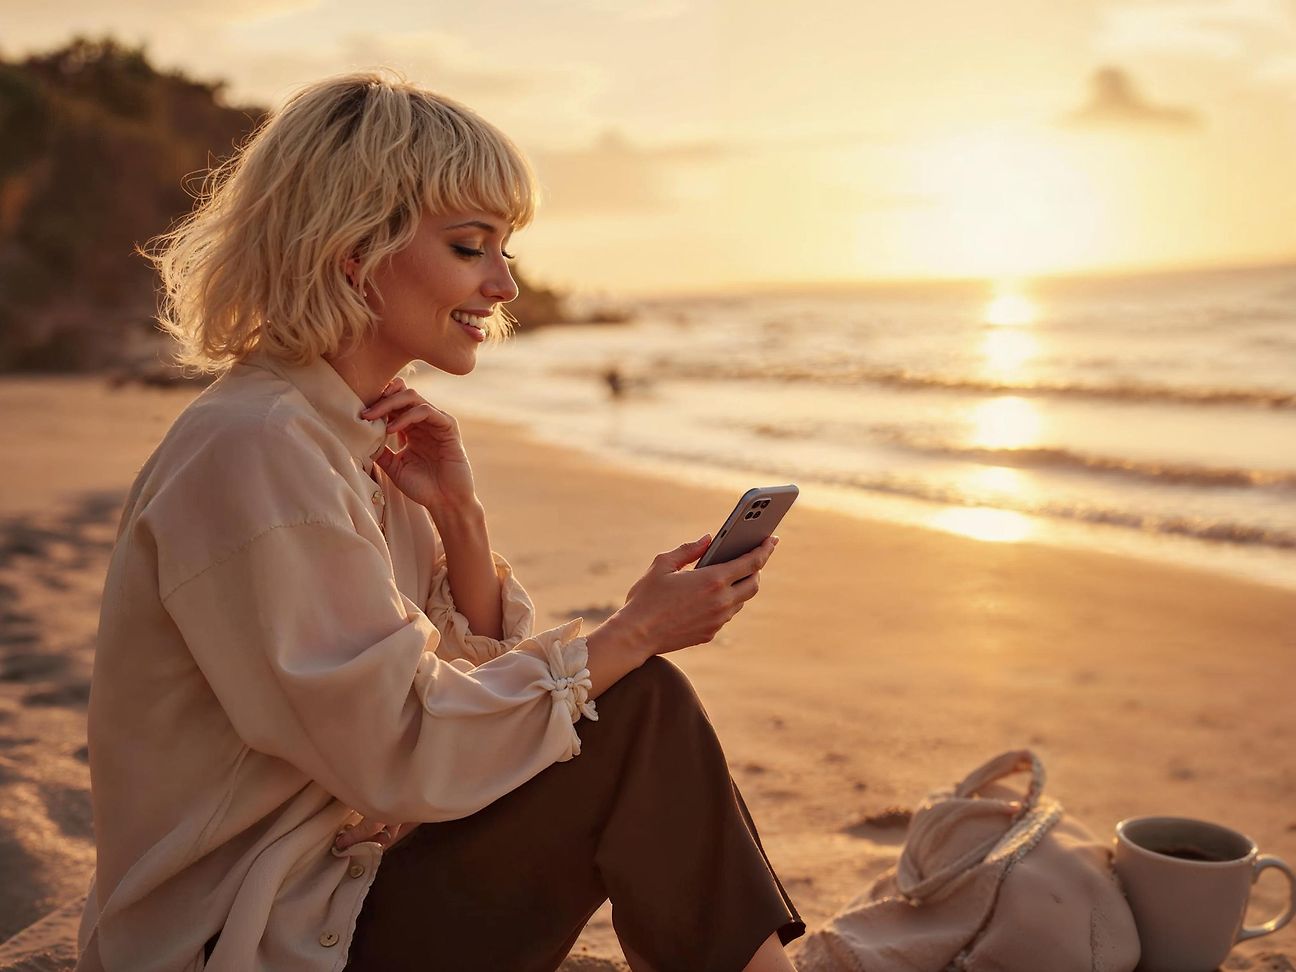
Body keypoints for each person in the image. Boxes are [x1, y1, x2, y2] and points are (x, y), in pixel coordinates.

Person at [76, 72, 804, 972]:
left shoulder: (356, 437)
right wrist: (634, 631)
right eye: (471, 247)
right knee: (639, 703)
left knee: (626, 707)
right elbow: (404, 750)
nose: (504, 283)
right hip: (253, 936)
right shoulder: (256, 449)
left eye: (507, 250)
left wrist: (460, 520)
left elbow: (480, 711)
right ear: (353, 250)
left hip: (340, 881)